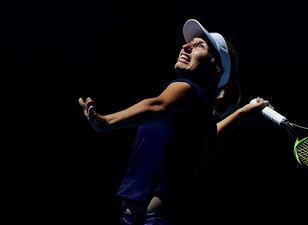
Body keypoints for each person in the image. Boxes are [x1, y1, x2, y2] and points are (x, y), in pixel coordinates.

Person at [79, 19, 268, 225]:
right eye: (189, 43)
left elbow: (157, 106)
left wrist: (106, 122)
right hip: (155, 217)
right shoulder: (202, 109)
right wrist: (241, 113)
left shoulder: (186, 89)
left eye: (199, 46)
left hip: (149, 219)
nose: (186, 46)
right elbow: (209, 140)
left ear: (217, 68)